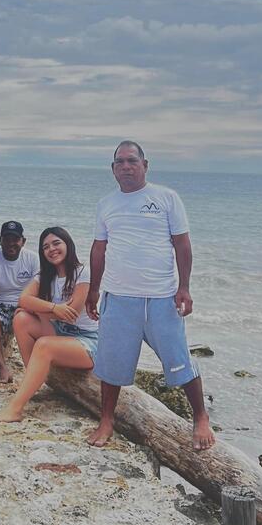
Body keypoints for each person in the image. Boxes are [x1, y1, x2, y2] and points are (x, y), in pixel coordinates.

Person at [84, 141, 214, 450]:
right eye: (120, 162)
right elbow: (99, 249)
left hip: (161, 298)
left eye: (132, 160)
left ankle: (200, 416)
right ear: (113, 168)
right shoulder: (106, 204)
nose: (126, 166)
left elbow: (182, 244)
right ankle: (106, 420)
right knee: (111, 364)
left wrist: (184, 287)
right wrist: (93, 289)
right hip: (118, 298)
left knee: (179, 359)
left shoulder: (166, 198)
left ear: (145, 165)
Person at [0, 226, 97, 422]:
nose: (52, 249)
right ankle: (35, 379)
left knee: (44, 344)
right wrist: (54, 308)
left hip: (89, 340)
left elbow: (71, 313)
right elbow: (23, 300)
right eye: (46, 247)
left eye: (56, 243)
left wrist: (41, 308)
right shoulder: (45, 276)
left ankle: (15, 409)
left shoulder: (83, 272)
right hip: (61, 332)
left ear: (68, 245)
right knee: (21, 318)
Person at [0, 221, 39, 383]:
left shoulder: (33, 259)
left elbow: (41, 290)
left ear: (23, 241)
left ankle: (35, 365)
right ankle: (2, 369)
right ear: (0, 240)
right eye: (7, 239)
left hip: (23, 305)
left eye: (16, 239)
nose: (11, 243)